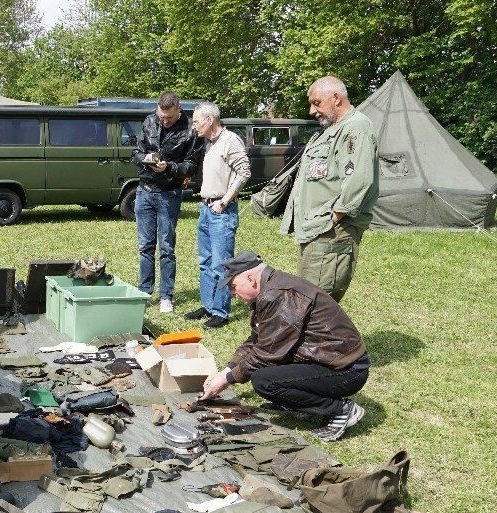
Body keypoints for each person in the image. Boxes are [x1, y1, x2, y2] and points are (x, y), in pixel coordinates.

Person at [200, 251, 370, 441]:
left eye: (233, 286)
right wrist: (226, 371)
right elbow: (258, 339)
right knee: (266, 373)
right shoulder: (271, 288)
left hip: (346, 370)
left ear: (250, 279)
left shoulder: (276, 295)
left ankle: (341, 410)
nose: (232, 294)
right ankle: (295, 402)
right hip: (330, 360)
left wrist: (228, 379)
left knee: (264, 381)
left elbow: (267, 353)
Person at [281, 76, 379, 302]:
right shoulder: (331, 130)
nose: (311, 111)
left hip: (331, 230)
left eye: (316, 103)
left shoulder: (356, 127)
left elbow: (359, 179)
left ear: (336, 98)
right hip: (316, 229)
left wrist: (334, 217)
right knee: (310, 298)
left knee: (317, 302)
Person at [131, 91, 201, 314]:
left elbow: (191, 166)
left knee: (167, 247)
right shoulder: (149, 121)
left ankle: (166, 296)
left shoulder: (191, 129)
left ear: (178, 109)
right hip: (144, 190)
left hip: (169, 193)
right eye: (161, 116)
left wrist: (169, 167)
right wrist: (144, 158)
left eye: (168, 118)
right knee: (145, 246)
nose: (164, 121)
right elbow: (136, 152)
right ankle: (144, 292)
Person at [186, 102, 251, 328]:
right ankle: (208, 305)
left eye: (196, 122)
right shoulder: (210, 143)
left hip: (221, 211)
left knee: (221, 264)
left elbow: (244, 172)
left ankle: (220, 312)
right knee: (205, 262)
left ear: (210, 119)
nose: (194, 126)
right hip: (206, 209)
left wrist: (224, 201)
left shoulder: (230, 140)